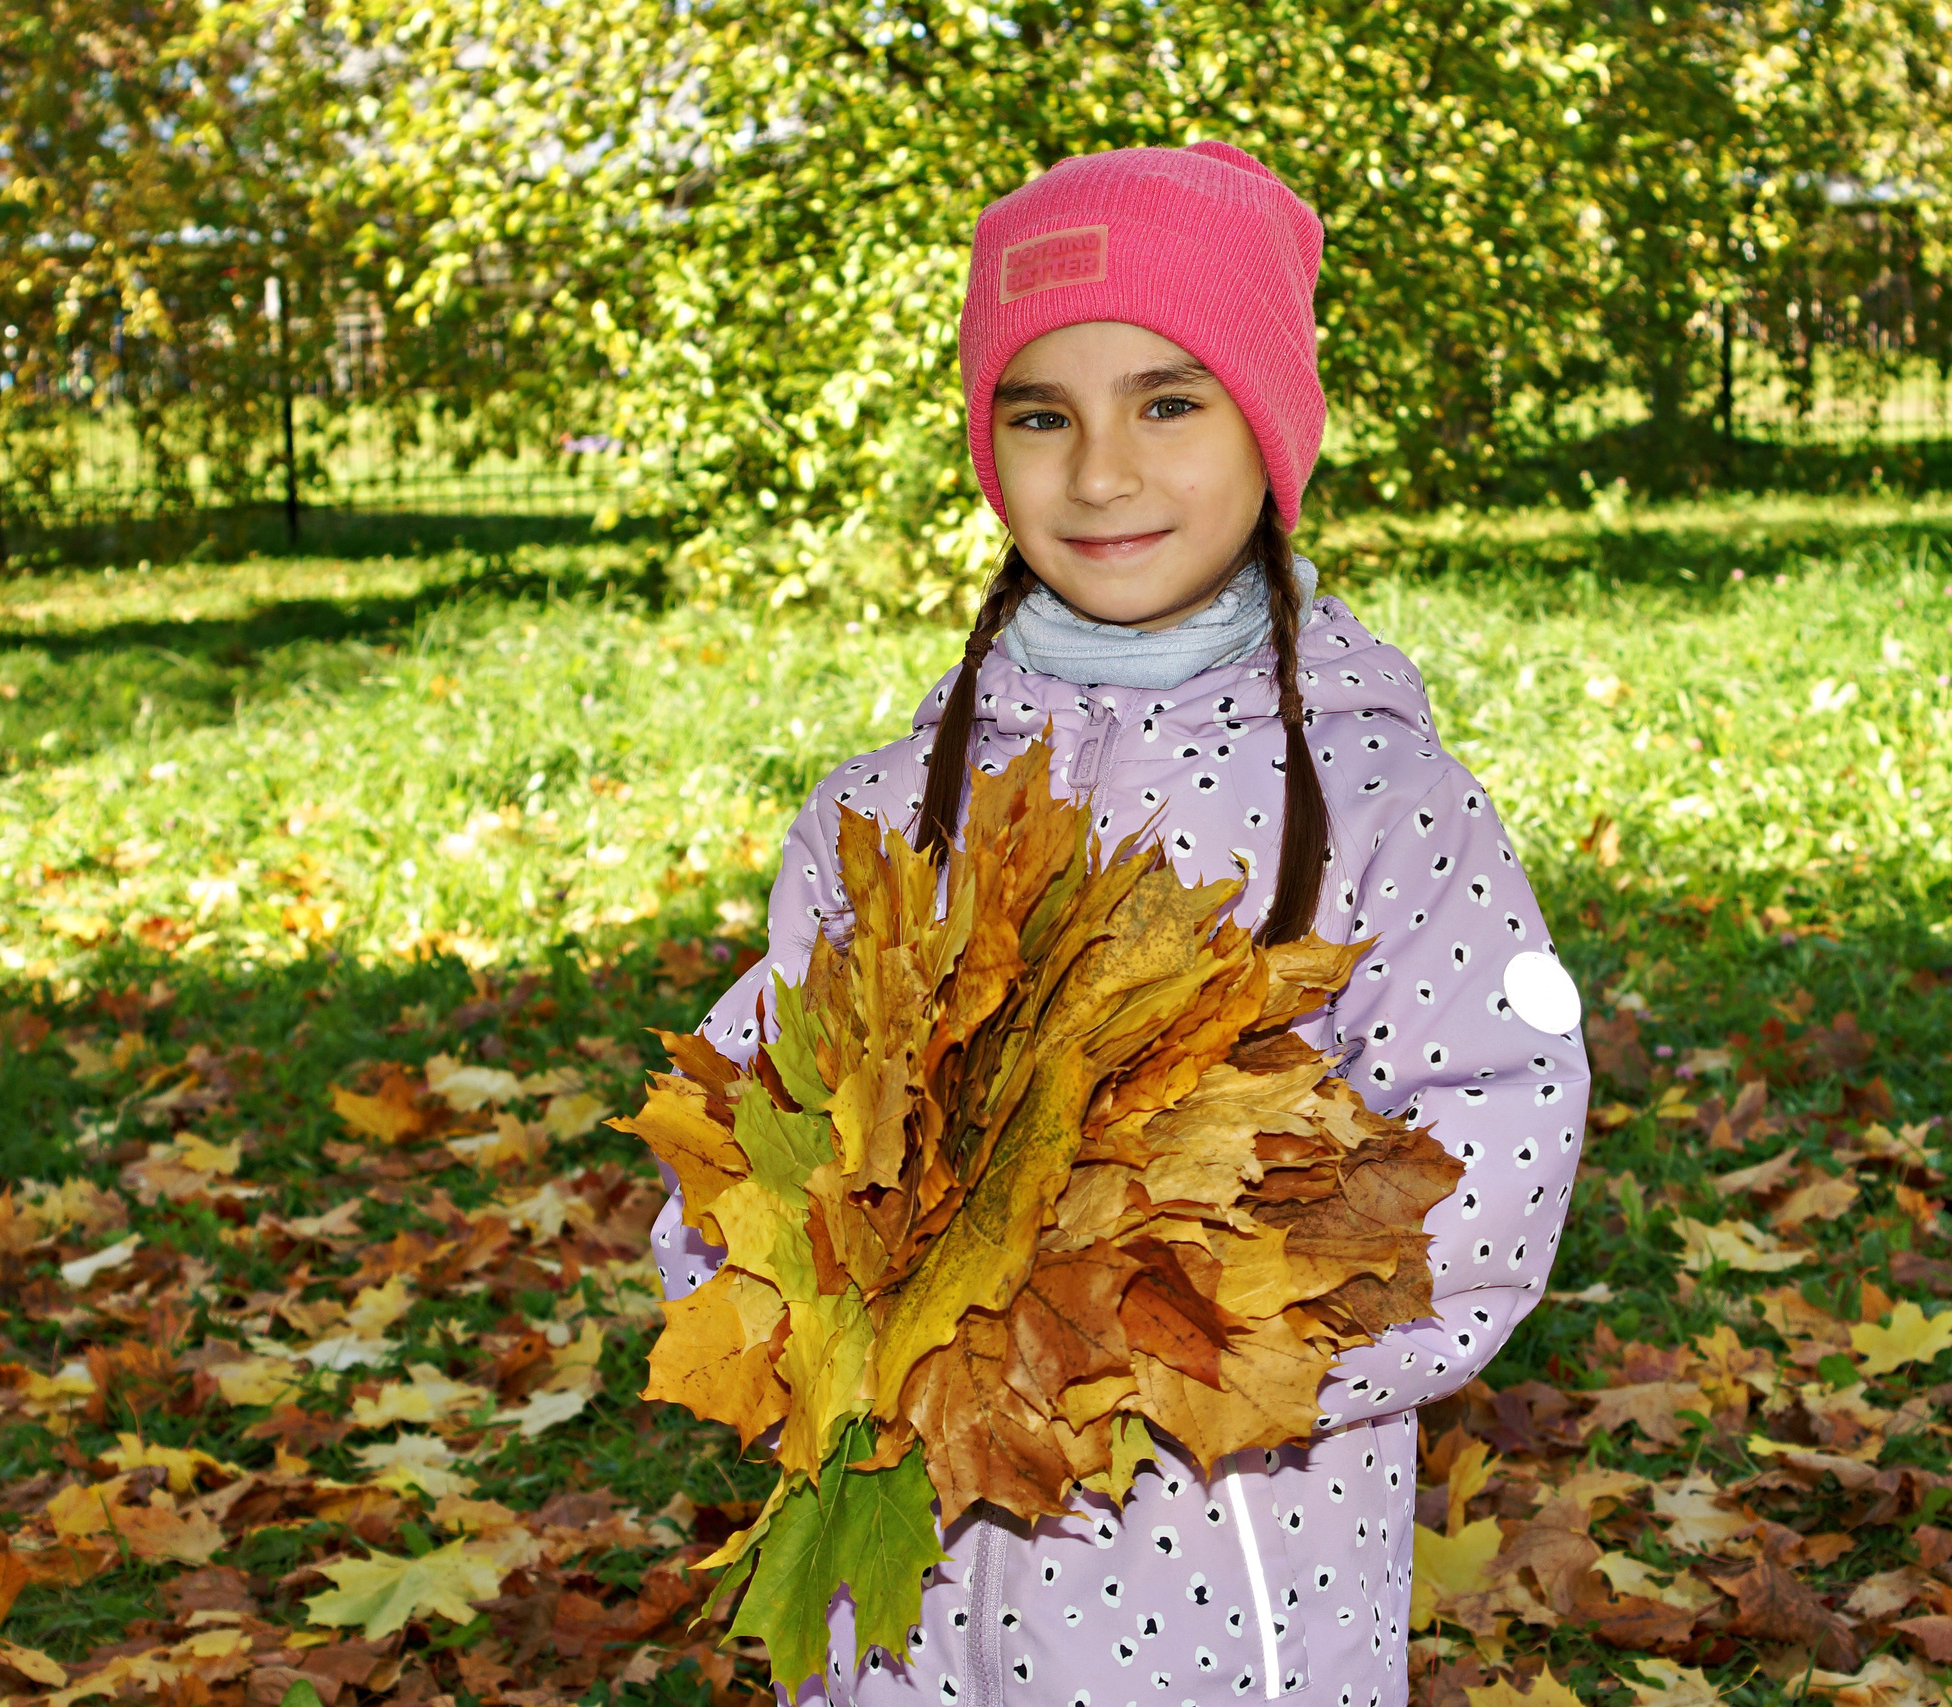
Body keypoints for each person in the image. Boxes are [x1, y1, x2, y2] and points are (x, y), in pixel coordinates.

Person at [643, 141, 1592, 1707]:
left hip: (1233, 1585)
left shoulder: (1380, 796)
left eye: (1168, 401)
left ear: (1270, 426)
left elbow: (1497, 1124)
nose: (1099, 472)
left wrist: (1169, 1353)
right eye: (1040, 413)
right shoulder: (881, 813)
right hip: (916, 1597)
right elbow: (759, 1121)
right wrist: (797, 1303)